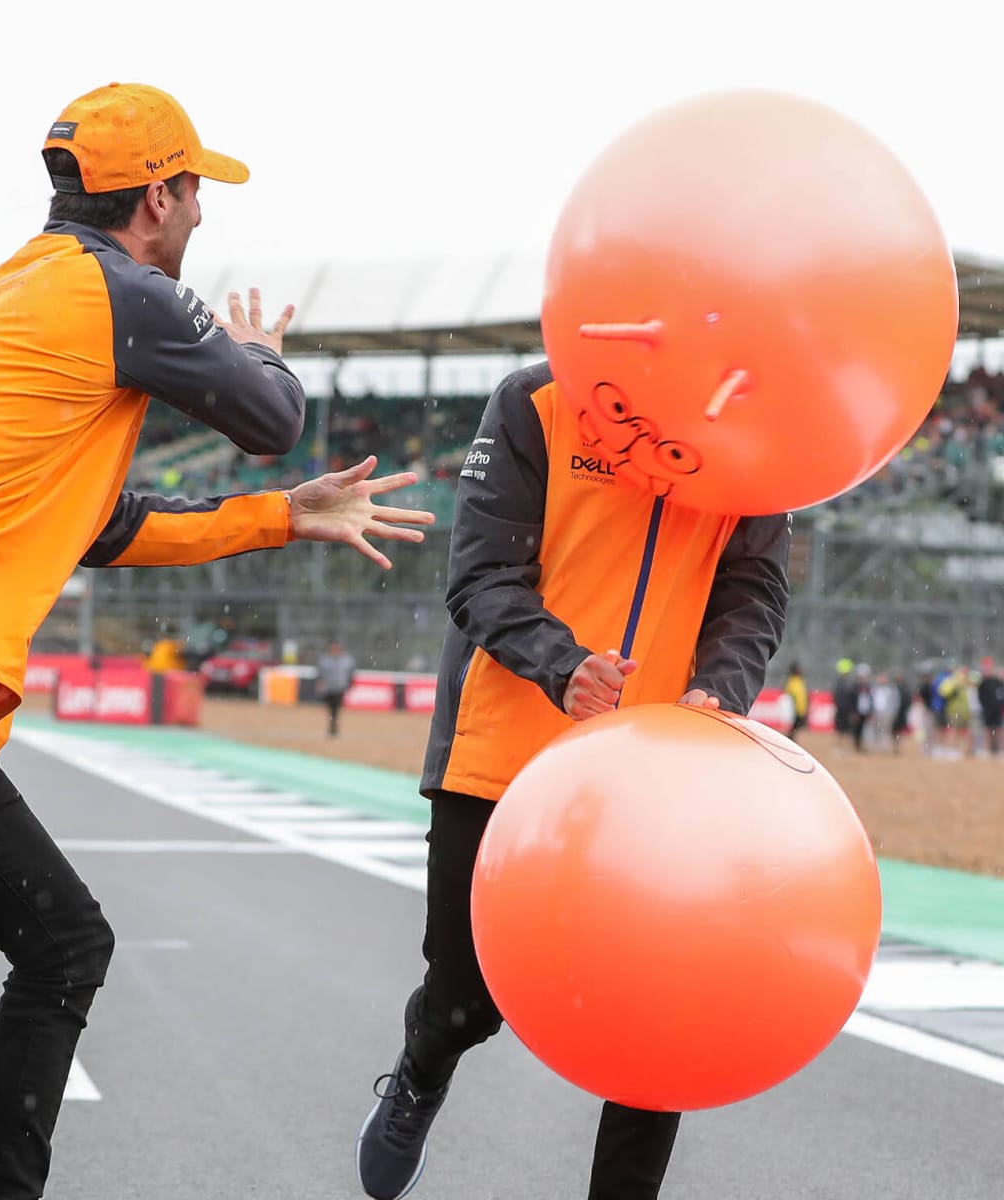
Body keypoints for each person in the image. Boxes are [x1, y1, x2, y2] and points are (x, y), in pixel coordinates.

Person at [0, 82, 433, 1200]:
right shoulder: (123, 292)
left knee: (62, 944)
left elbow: (103, 525)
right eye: (196, 192)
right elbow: (272, 419)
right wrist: (259, 354)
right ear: (157, 195)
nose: (201, 216)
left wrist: (284, 516)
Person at [355, 360, 790, 1200]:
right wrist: (563, 667)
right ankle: (421, 1070)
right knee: (466, 1000)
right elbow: (479, 575)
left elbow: (755, 589)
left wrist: (719, 690)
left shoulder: (761, 432)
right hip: (503, 754)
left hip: (656, 772)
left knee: (658, 1017)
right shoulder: (537, 401)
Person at [316, 639, 357, 736]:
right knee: (330, 708)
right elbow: (319, 673)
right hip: (328, 689)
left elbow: (351, 674)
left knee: (336, 708)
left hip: (339, 689)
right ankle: (332, 724)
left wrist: (349, 684)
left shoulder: (347, 661)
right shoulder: (324, 660)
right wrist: (320, 683)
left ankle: (334, 725)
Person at [784, 661, 809, 740]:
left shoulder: (798, 681)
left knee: (795, 728)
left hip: (799, 710)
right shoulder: (792, 682)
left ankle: (790, 739)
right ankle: (790, 740)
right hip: (796, 711)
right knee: (794, 728)